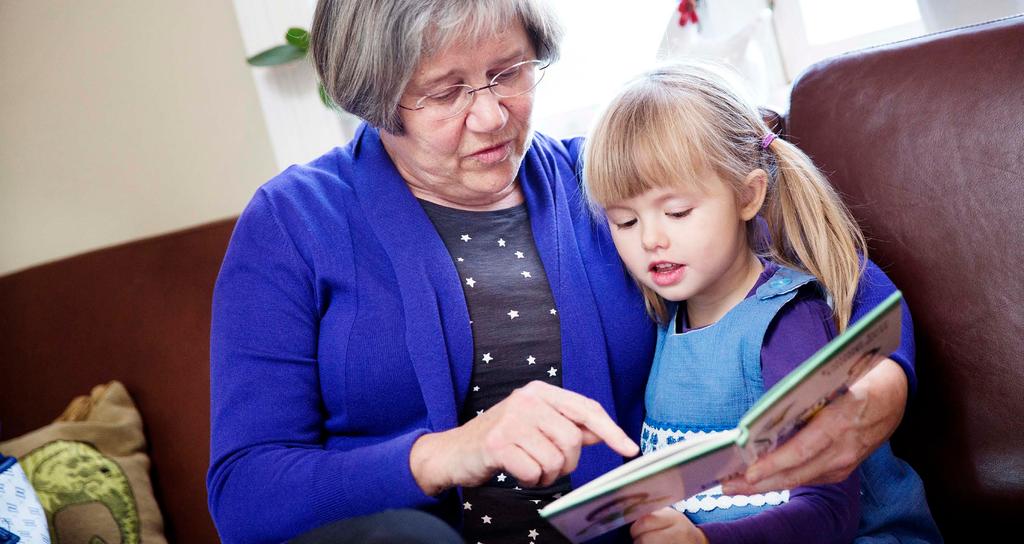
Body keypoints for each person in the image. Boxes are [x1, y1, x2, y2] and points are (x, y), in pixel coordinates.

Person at [207, 1, 921, 542]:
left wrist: (885, 377)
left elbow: (819, 269)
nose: (490, 115)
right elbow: (243, 493)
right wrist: (449, 452)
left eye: (508, 71)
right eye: (447, 91)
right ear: (374, 93)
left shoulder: (610, 191)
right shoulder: (293, 224)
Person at [582, 63, 941, 543]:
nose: (650, 238)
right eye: (624, 222)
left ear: (748, 196)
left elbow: (830, 512)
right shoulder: (669, 322)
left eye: (678, 212)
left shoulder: (786, 321)